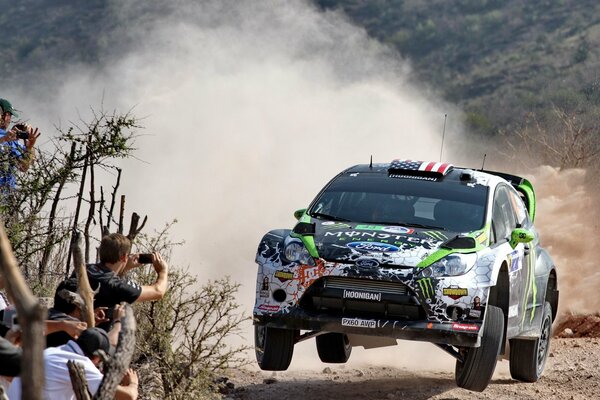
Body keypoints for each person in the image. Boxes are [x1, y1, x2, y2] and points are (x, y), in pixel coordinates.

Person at [7, 327, 138, 399]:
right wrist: (132, 382)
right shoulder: (82, 363)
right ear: (97, 357)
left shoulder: (53, 351)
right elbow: (129, 396)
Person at [84, 233, 169, 311]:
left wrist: (125, 267)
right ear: (124, 257)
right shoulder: (117, 286)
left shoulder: (86, 268)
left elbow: (105, 276)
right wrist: (163, 271)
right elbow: (158, 291)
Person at [0, 98, 40, 189]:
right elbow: (24, 167)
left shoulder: (11, 139)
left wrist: (29, 145)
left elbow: (24, 167)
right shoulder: (9, 139)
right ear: (6, 115)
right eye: (10, 116)